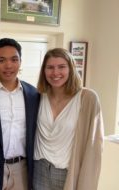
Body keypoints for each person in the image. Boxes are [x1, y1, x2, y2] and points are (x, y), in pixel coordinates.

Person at [33, 48, 104, 190]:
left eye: (61, 67)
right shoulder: (39, 96)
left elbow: (94, 145)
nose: (55, 73)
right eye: (50, 67)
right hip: (39, 170)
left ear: (71, 69)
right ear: (44, 71)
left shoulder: (88, 98)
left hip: (67, 173)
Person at [0, 38, 40, 190]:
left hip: (22, 169)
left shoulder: (33, 94)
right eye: (2, 60)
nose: (8, 65)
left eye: (14, 59)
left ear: (20, 62)